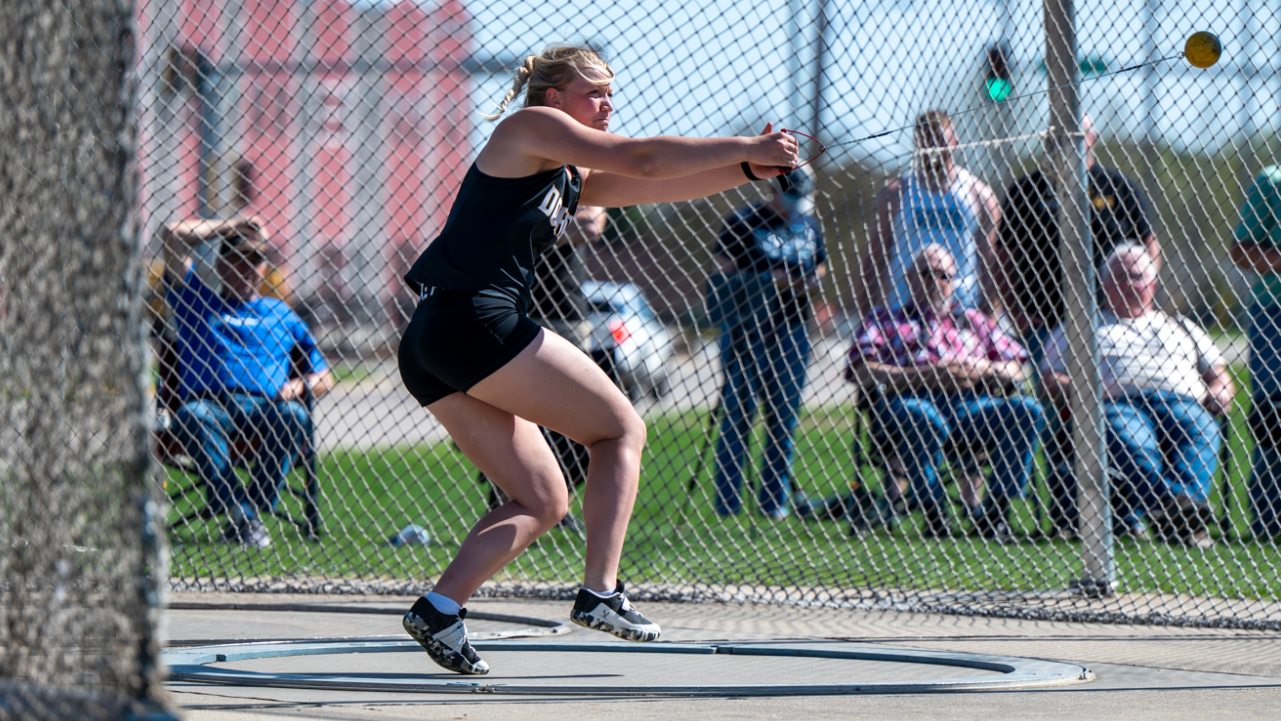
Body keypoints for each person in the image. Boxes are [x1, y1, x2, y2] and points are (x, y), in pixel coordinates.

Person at [396, 45, 799, 675]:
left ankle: (440, 608)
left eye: (611, 93)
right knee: (619, 429)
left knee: (541, 499)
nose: (607, 105)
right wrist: (747, 141)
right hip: (473, 320)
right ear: (554, 97)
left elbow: (655, 182)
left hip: (438, 336)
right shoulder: (531, 127)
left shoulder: (564, 171)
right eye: (595, 93)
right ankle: (601, 593)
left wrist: (751, 168)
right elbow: (642, 156)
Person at [847, 245, 1044, 541]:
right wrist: (926, 375)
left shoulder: (973, 320)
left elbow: (1017, 367)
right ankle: (933, 511)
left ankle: (994, 512)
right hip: (909, 404)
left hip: (971, 408)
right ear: (910, 279)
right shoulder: (886, 319)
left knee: (1027, 409)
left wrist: (981, 367)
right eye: (927, 274)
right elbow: (861, 371)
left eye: (944, 276)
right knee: (922, 416)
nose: (936, 282)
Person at [1040, 245, 1233, 547]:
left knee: (1203, 432)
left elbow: (1218, 372)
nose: (1129, 284)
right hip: (1117, 404)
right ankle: (1179, 511)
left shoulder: (1181, 325)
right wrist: (1082, 391)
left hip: (1183, 402)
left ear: (1153, 285)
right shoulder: (1082, 326)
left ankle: (1176, 509)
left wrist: (1221, 389)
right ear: (1103, 284)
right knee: (1134, 444)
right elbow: (1049, 377)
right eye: (1119, 277)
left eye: (1137, 276)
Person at [160, 217, 334, 549]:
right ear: (221, 264)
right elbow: (171, 234)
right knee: (192, 415)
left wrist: (298, 387)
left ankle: (246, 513)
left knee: (295, 416)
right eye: (238, 259)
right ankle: (245, 516)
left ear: (264, 267)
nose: (247, 268)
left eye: (255, 260)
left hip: (265, 409)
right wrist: (232, 224)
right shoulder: (195, 300)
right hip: (210, 405)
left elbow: (325, 376)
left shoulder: (281, 314)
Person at [481, 204, 608, 531]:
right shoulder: (518, 178)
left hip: (566, 316)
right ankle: (515, 501)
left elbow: (592, 225)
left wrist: (536, 227)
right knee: (517, 419)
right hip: (517, 313)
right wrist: (553, 225)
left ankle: (555, 502)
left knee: (584, 422)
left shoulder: (576, 179)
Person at [710, 165, 826, 519]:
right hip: (746, 330)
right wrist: (765, 280)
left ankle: (774, 502)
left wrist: (802, 283)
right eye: (789, 198)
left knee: (783, 417)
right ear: (773, 191)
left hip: (792, 328)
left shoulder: (809, 224)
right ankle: (727, 504)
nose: (794, 207)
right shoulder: (743, 221)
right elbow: (720, 273)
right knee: (737, 415)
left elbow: (819, 266)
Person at [998, 113, 1159, 367]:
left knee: (1109, 395)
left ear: (1092, 139)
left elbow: (1149, 246)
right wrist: (1014, 313)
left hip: (1108, 322)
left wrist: (1142, 297)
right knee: (1053, 396)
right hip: (1044, 321)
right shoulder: (1027, 190)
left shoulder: (1118, 187)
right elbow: (1002, 258)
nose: (1063, 144)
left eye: (1074, 136)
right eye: (1057, 137)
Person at [859, 110, 1000, 315]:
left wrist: (989, 319)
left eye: (940, 140)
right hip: (903, 312)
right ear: (917, 144)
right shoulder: (895, 194)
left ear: (954, 142)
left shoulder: (979, 195)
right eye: (927, 141)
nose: (933, 149)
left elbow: (988, 263)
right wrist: (866, 318)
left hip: (961, 313)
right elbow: (875, 259)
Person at [1231, 165, 1281, 540]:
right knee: (1273, 416)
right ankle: (1268, 519)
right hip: (1274, 312)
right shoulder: (1272, 180)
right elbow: (1240, 251)